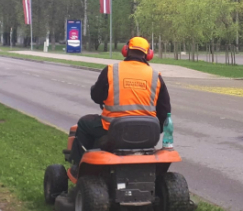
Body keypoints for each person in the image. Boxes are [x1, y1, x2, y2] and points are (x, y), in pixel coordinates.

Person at [71, 36, 171, 170]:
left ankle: (80, 168)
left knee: (83, 123)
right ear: (148, 55)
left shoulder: (112, 70)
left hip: (113, 130)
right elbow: (165, 113)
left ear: (126, 50)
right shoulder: (155, 76)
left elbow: (96, 96)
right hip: (146, 133)